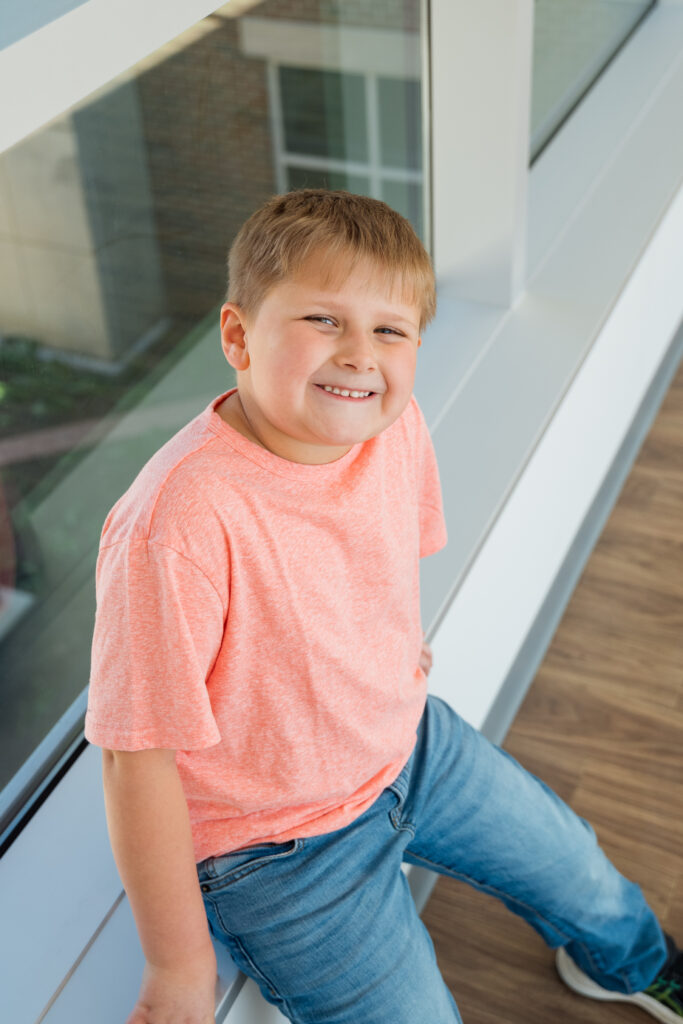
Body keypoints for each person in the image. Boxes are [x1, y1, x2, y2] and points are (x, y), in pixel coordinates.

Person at [86, 190, 682, 1024]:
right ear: (236, 337)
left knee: (581, 870)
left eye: (390, 331)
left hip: (410, 745)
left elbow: (382, 557)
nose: (360, 355)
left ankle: (633, 966)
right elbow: (132, 754)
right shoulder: (176, 523)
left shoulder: (387, 427)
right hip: (278, 849)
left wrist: (394, 654)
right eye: (323, 320)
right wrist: (177, 964)